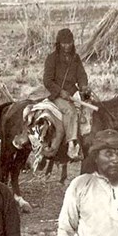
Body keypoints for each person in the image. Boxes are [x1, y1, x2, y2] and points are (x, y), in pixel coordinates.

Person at [42, 28, 92, 160]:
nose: (66, 46)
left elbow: (81, 75)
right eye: (63, 43)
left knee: (89, 109)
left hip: (72, 92)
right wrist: (60, 92)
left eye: (69, 43)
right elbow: (47, 80)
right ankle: (71, 146)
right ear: (59, 43)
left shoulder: (75, 58)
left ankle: (87, 143)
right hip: (56, 95)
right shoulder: (52, 58)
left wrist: (84, 86)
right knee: (70, 112)